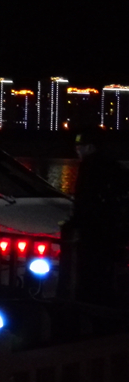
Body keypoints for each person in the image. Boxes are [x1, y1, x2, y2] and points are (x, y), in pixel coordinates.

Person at [64, 128, 129, 305]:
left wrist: (76, 221)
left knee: (91, 269)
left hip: (95, 229)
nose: (77, 150)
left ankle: (89, 304)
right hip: (112, 229)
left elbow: (84, 198)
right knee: (106, 270)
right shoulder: (113, 166)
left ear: (91, 147)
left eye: (80, 146)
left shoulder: (90, 167)